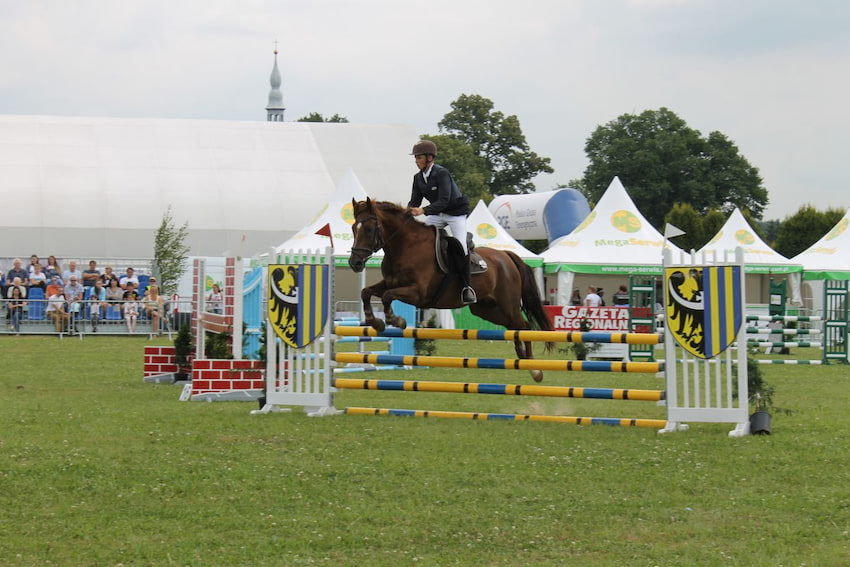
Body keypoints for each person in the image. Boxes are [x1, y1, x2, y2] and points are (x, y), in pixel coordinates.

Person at [407, 139, 475, 304]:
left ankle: (467, 288)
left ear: (430, 158)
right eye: (415, 158)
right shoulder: (418, 178)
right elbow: (414, 201)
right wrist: (404, 213)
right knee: (419, 239)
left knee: (460, 247)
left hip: (455, 214)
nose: (416, 161)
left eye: (419, 157)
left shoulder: (441, 173)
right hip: (437, 215)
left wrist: (423, 210)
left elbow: (444, 200)